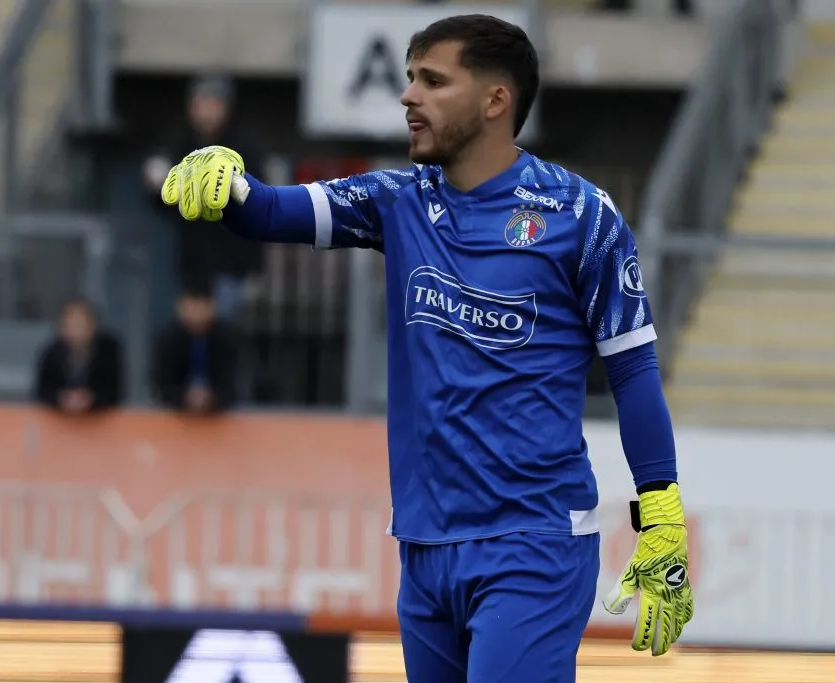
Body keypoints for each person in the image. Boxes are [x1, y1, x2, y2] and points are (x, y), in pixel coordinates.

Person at [161, 14, 693, 682]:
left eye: (432, 81)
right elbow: (267, 210)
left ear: (495, 101)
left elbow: (634, 367)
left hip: (532, 544)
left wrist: (662, 517)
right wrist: (224, 178)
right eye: (410, 78)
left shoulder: (582, 216)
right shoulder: (397, 200)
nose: (408, 95)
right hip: (424, 546)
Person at [143, 72, 265, 321]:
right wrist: (156, 186)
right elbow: (164, 206)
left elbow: (252, 201)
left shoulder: (243, 148)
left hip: (231, 264)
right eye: (200, 104)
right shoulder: (180, 145)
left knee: (224, 334)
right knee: (186, 337)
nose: (206, 112)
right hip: (189, 265)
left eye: (213, 104)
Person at [152, 282, 239, 415]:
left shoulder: (227, 338)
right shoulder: (167, 339)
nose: (197, 313)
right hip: (174, 414)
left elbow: (232, 382)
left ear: (213, 307)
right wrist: (185, 398)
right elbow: (160, 384)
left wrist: (211, 397)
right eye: (192, 305)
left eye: (202, 306)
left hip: (219, 415)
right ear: (180, 308)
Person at [33, 298, 125, 414]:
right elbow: (42, 392)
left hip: (101, 420)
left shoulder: (108, 350)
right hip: (59, 420)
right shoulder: (51, 352)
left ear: (93, 325)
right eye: (72, 324)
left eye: (82, 323)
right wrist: (61, 399)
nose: (77, 330)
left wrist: (91, 399)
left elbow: (115, 391)